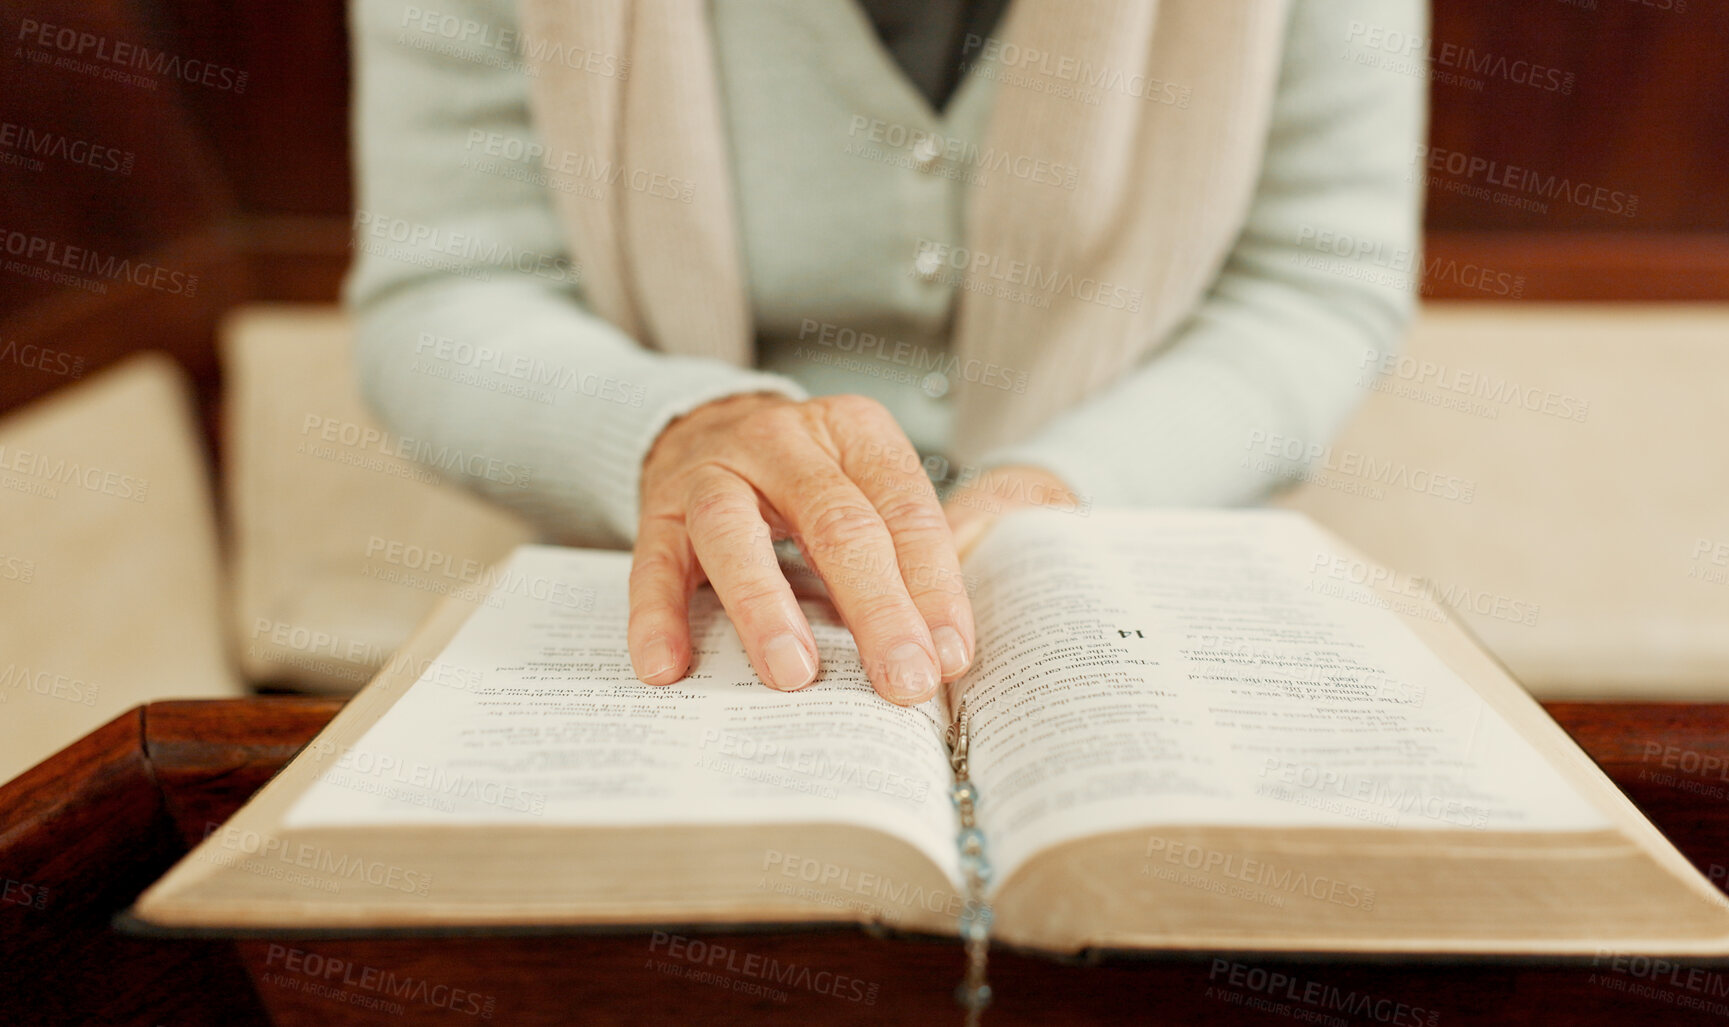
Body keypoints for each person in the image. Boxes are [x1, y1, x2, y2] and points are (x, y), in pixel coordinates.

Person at [346, 0, 1426, 708]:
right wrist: (676, 430)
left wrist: (1071, 486)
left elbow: (1317, 279)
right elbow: (445, 290)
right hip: (668, 608)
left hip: (1130, 592)